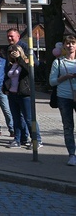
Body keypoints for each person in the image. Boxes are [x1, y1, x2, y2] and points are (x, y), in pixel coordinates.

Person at [4, 44, 43, 149]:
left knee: (29, 118)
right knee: (16, 119)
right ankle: (19, 139)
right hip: (13, 94)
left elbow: (28, 71)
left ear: (19, 51)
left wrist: (19, 58)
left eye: (14, 51)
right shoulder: (11, 64)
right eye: (10, 52)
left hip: (24, 94)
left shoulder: (26, 61)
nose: (12, 54)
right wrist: (5, 89)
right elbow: (7, 77)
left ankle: (36, 140)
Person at [49, 35, 76, 166]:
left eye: (73, 43)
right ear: (64, 46)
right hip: (64, 97)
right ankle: (72, 154)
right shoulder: (58, 62)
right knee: (68, 126)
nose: (70, 46)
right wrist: (63, 77)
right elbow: (52, 82)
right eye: (68, 43)